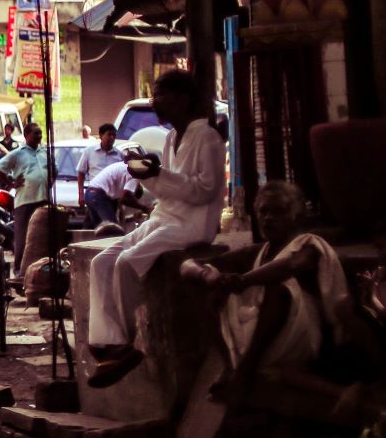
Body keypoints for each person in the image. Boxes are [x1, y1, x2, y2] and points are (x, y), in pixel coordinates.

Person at [87, 69, 226, 387]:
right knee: (101, 262)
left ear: (183, 99)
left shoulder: (208, 138)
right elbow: (165, 190)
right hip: (165, 217)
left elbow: (204, 190)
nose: (155, 102)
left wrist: (159, 173)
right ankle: (109, 344)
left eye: (161, 95)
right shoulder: (172, 138)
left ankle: (126, 345)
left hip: (193, 225)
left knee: (125, 263)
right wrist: (147, 172)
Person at [184, 182, 351, 404]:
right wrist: (208, 276)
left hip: (304, 342)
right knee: (213, 294)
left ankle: (244, 372)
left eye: (278, 211)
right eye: (264, 211)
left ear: (297, 216)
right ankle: (230, 366)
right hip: (264, 341)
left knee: (279, 287)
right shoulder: (260, 251)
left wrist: (243, 281)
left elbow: (292, 266)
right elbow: (187, 265)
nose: (268, 218)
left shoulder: (309, 244)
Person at [0, 122, 48, 273]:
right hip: (25, 201)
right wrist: (12, 183)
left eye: (40, 133)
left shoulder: (43, 152)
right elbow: (0, 168)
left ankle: (38, 270)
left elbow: (54, 169)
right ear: (27, 136)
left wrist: (47, 182)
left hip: (42, 199)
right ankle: (19, 271)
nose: (39, 136)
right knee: (23, 238)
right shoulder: (18, 153)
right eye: (36, 133)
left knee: (40, 237)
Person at [83, 156, 147, 229]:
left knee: (97, 228)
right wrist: (145, 208)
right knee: (112, 228)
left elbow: (121, 204)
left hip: (90, 193)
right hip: (98, 195)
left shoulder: (122, 167)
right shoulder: (134, 174)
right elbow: (126, 199)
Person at [80, 123, 124, 196]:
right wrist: (81, 194)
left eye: (114, 135)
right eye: (109, 135)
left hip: (113, 195)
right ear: (101, 136)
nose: (112, 138)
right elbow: (81, 173)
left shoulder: (119, 155)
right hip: (95, 192)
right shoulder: (89, 152)